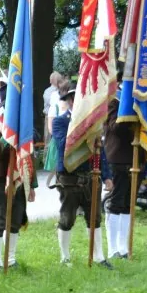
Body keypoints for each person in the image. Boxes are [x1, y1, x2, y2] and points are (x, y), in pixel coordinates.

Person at [50, 89, 112, 268]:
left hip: (91, 176)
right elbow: (63, 146)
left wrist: (107, 175)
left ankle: (99, 256)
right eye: (75, 99)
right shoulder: (61, 122)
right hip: (70, 178)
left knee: (95, 217)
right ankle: (65, 256)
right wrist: (84, 132)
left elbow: (101, 151)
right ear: (69, 102)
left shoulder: (94, 124)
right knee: (67, 218)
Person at [0, 90, 36, 269]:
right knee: (0, 218)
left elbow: (29, 155)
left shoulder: (24, 126)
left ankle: (11, 258)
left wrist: (32, 184)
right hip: (1, 177)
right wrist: (7, 139)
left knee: (16, 218)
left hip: (21, 177)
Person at [103, 73, 145, 260]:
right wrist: (132, 115)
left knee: (129, 203)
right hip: (118, 157)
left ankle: (124, 246)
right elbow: (114, 127)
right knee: (115, 202)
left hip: (137, 158)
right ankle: (113, 248)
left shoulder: (143, 101)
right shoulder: (114, 101)